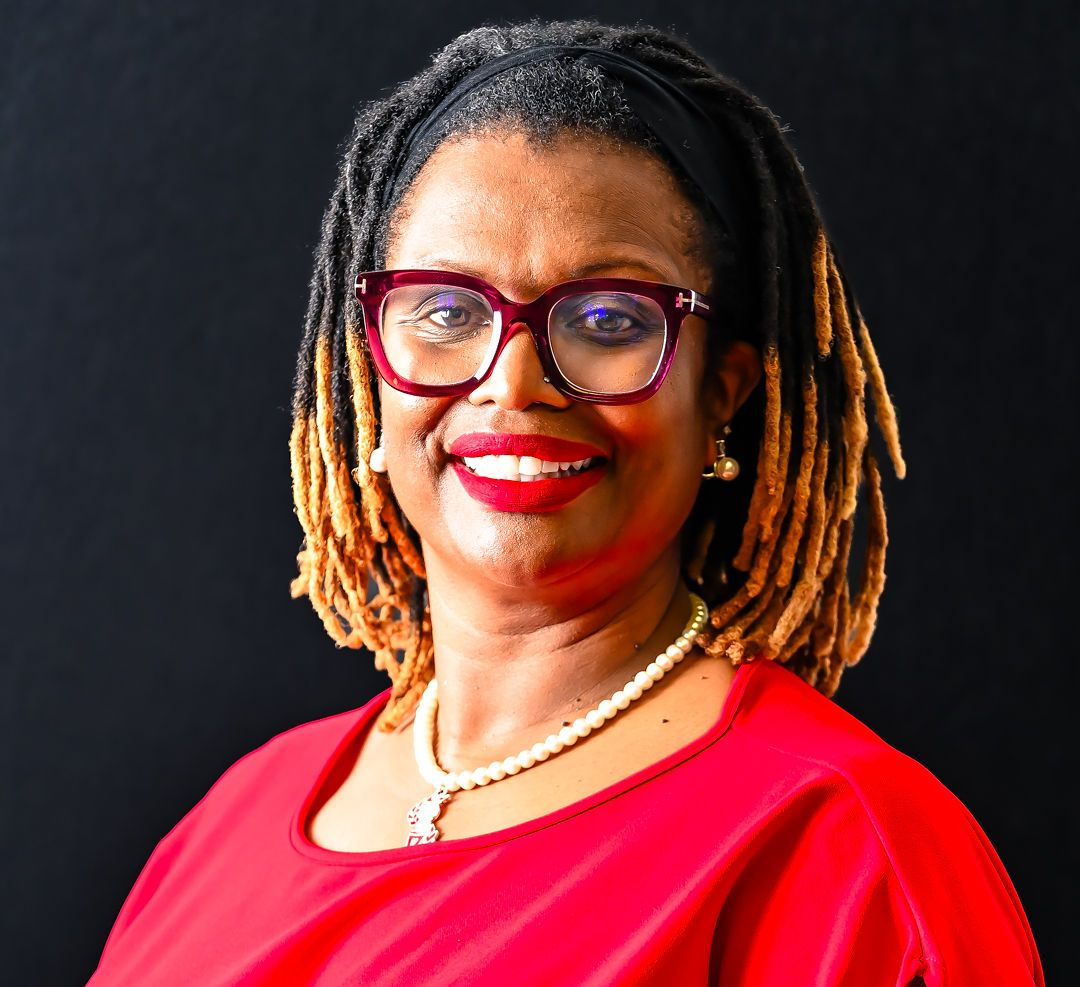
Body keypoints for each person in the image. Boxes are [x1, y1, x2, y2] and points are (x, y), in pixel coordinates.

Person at [86, 18, 1044, 987]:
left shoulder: (847, 850)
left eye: (607, 319)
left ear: (720, 396)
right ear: (371, 373)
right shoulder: (228, 823)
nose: (513, 381)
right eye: (447, 310)